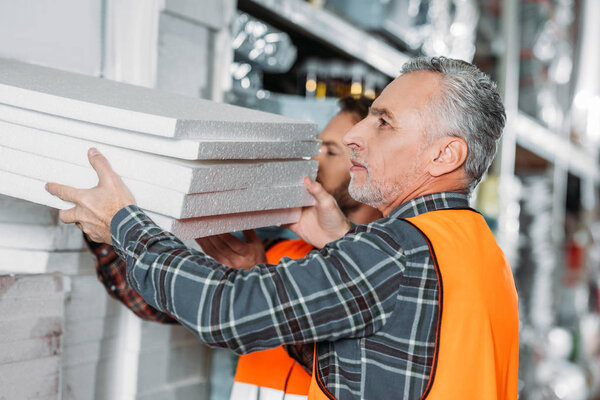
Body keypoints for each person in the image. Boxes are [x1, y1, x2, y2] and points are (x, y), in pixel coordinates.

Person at [48, 56, 519, 399]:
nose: (356, 136)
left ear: (445, 155)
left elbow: (225, 312)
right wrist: (342, 242)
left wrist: (123, 223)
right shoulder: (477, 251)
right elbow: (377, 368)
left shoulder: (398, 252)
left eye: (383, 123)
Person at [84, 96, 381, 399]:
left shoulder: (386, 274)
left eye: (330, 151)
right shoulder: (279, 252)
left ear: (367, 167)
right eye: (316, 148)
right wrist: (109, 230)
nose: (314, 161)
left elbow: (362, 374)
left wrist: (260, 282)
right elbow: (168, 303)